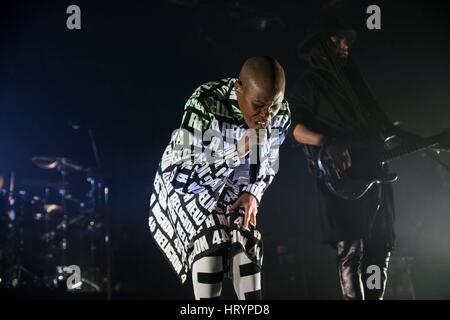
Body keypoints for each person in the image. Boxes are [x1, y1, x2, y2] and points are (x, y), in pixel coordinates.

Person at [288, 19, 414, 300]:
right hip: (344, 176)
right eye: (336, 41)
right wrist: (327, 142)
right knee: (351, 251)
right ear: (318, 49)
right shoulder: (310, 84)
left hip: (376, 170)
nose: (345, 45)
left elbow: (386, 129)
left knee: (380, 247)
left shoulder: (354, 82)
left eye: (345, 42)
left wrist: (433, 141)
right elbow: (294, 128)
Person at [148, 56, 290, 299]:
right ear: (238, 88)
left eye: (273, 106)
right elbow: (184, 178)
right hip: (188, 180)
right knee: (211, 247)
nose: (266, 115)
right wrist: (238, 150)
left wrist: (253, 193)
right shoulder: (205, 102)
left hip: (235, 181)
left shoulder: (282, 114)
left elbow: (267, 165)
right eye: (258, 104)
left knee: (246, 247)